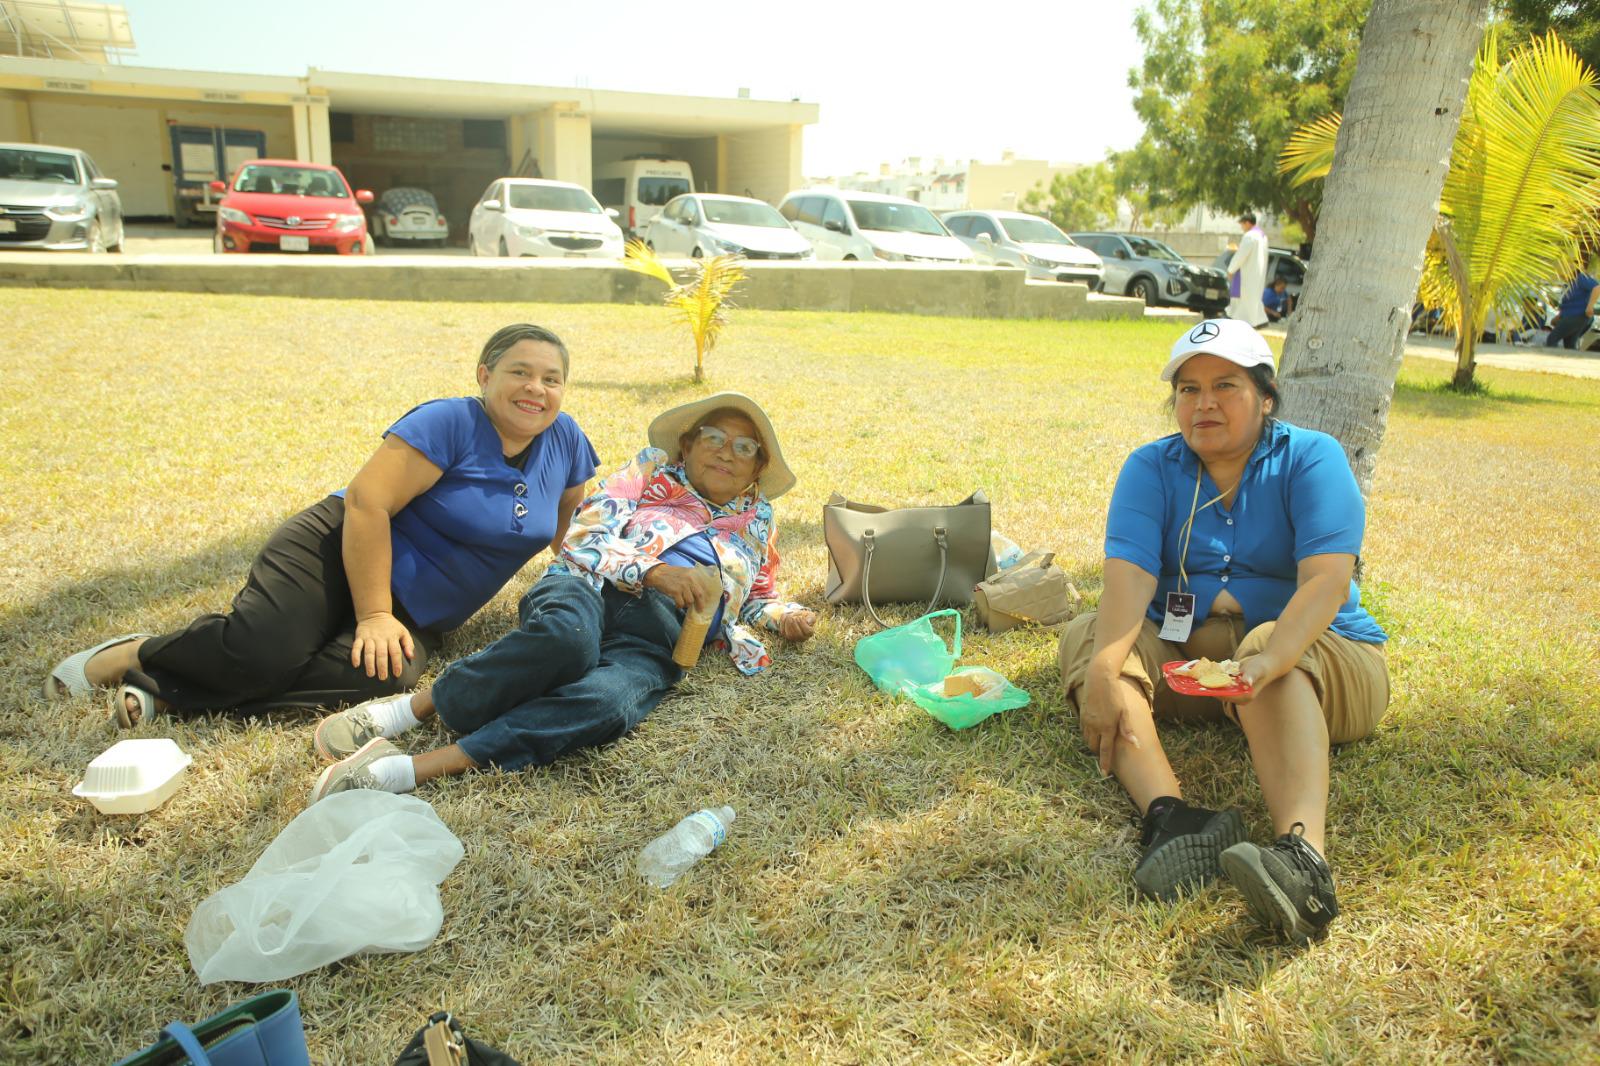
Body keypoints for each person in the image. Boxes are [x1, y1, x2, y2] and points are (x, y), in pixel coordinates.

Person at [44, 324, 599, 726]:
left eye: (552, 379)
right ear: (485, 375)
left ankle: (173, 694)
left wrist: (595, 580)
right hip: (334, 551)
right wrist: (375, 613)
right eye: (519, 372)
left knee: (382, 677)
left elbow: (568, 525)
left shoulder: (565, 438)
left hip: (423, 609)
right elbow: (366, 504)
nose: (536, 389)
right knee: (265, 650)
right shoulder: (450, 421)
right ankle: (138, 654)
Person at [308, 392, 817, 799]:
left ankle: (414, 769)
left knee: (609, 702)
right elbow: (582, 535)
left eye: (745, 447)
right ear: (687, 444)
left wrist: (784, 615)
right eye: (714, 436)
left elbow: (755, 595)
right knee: (564, 641)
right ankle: (413, 710)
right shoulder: (649, 472)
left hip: (663, 633)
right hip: (590, 584)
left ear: (757, 470)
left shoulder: (759, 522)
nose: (728, 451)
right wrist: (654, 570)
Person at [1057, 319, 1389, 943]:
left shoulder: (1311, 457)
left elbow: (1325, 584)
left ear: (1266, 396)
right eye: (1188, 389)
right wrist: (1104, 669)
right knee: (1089, 638)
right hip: (1196, 665)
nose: (1203, 403)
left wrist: (1270, 660)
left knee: (1267, 646)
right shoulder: (1152, 467)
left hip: (1322, 665)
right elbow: (1128, 578)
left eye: (1225, 386)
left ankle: (1303, 864)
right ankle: (1175, 818)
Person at [1227, 213, 1269, 327]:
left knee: (1244, 299)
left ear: (1247, 223)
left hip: (1247, 273)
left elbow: (1241, 255)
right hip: (1257, 273)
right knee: (1253, 300)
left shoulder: (1250, 236)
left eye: (1242, 224)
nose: (1242, 227)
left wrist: (1231, 269)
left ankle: (1243, 322)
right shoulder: (1263, 236)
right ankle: (1257, 321)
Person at [1545, 262, 1598, 349]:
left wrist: (1590, 306)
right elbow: (1569, 303)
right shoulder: (1571, 283)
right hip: (1573, 315)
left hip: (1577, 315)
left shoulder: (1581, 278)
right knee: (1570, 344)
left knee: (1552, 339)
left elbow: (1596, 287)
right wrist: (1559, 316)